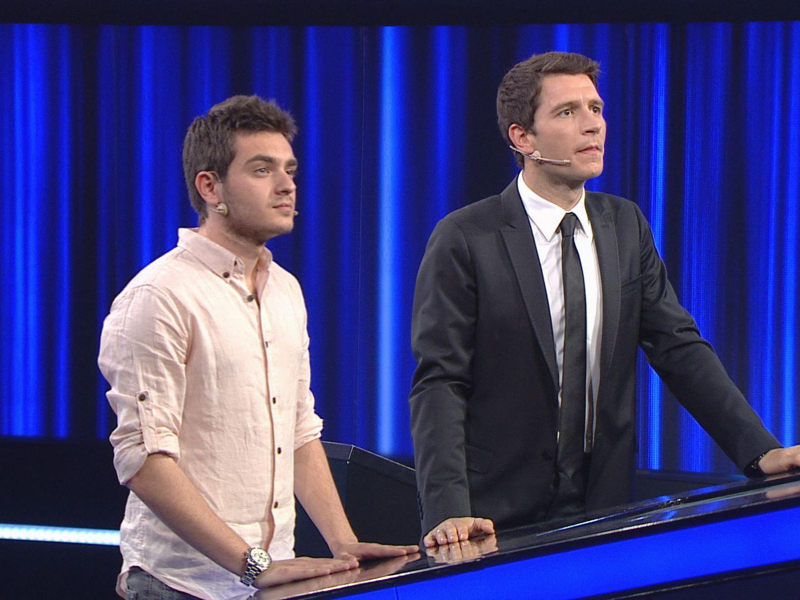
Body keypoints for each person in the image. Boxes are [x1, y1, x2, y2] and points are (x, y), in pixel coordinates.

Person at [409, 51, 800, 549]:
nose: (592, 125)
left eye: (595, 108)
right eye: (567, 112)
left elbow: (678, 348)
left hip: (606, 509)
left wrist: (760, 452)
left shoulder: (625, 225)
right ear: (523, 138)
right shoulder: (465, 237)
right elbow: (440, 380)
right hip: (492, 514)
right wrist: (449, 509)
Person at [99, 95, 416, 599]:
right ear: (210, 187)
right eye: (262, 169)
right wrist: (252, 565)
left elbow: (299, 431)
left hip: (271, 582)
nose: (286, 185)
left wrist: (344, 544)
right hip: (180, 585)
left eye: (289, 169)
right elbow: (144, 462)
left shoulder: (285, 289)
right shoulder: (159, 296)